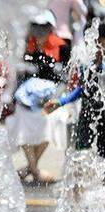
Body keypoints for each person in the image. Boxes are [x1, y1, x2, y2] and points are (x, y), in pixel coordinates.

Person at [7, 10, 66, 184]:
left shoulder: (62, 47)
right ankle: (35, 170)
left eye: (43, 27)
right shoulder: (27, 44)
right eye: (36, 26)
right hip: (26, 100)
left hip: (49, 99)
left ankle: (29, 169)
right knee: (22, 124)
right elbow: (19, 73)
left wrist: (54, 97)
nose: (39, 31)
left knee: (53, 122)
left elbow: (64, 78)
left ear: (50, 28)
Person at [44, 22, 105, 158]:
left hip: (102, 116)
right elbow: (82, 89)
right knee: (80, 154)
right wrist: (61, 101)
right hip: (87, 113)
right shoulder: (88, 64)